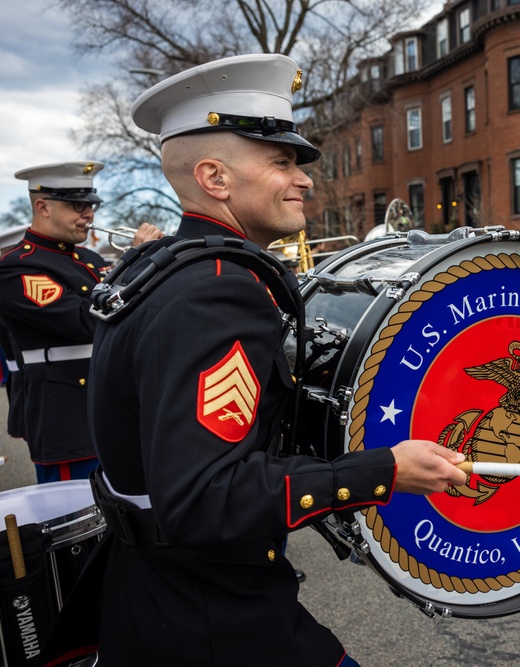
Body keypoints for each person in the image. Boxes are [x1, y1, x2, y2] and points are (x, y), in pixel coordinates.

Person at [72, 54, 468, 666]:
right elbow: (207, 496)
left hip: (157, 598)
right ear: (215, 178)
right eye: (281, 162)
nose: (304, 179)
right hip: (211, 620)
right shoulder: (214, 291)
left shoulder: (157, 269)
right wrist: (382, 470)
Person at [0, 161, 161, 483]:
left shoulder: (92, 260)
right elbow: (85, 321)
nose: (89, 214)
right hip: (68, 419)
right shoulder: (16, 266)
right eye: (78, 205)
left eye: (91, 205)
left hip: (117, 408)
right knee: (77, 523)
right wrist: (134, 265)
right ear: (43, 206)